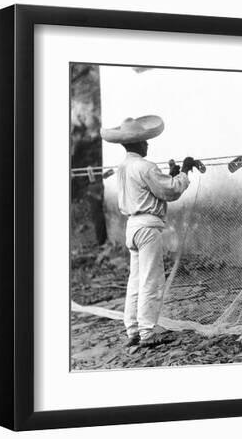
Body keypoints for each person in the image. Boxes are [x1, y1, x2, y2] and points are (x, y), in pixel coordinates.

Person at [101, 116, 195, 348]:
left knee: (135, 281)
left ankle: (132, 329)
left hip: (131, 226)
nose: (147, 145)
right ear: (138, 143)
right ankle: (147, 333)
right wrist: (183, 172)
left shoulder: (122, 167)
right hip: (147, 227)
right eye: (144, 141)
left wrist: (171, 173)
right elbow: (170, 191)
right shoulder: (146, 167)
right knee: (151, 280)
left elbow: (155, 188)